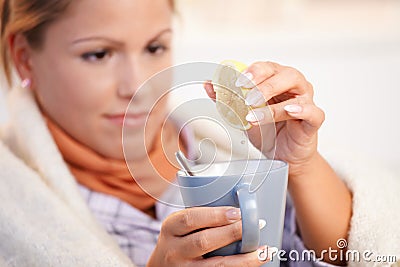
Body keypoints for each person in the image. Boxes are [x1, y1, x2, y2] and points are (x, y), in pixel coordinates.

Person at [0, 0, 398, 267]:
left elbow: (357, 252)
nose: (136, 85)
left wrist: (300, 166)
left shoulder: (230, 151)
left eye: (155, 47)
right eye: (98, 55)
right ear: (23, 57)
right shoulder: (13, 208)